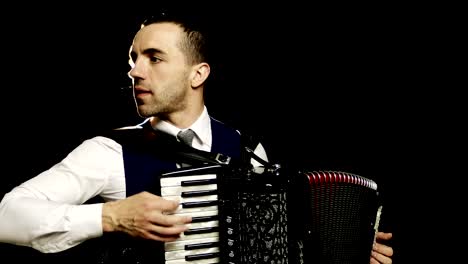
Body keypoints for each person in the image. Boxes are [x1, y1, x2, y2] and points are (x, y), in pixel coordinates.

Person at [0, 8, 393, 264]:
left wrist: (345, 250)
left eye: (153, 58)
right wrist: (109, 216)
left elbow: (277, 248)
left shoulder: (246, 149)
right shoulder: (108, 152)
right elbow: (7, 216)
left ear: (197, 74)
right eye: (133, 60)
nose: (135, 72)